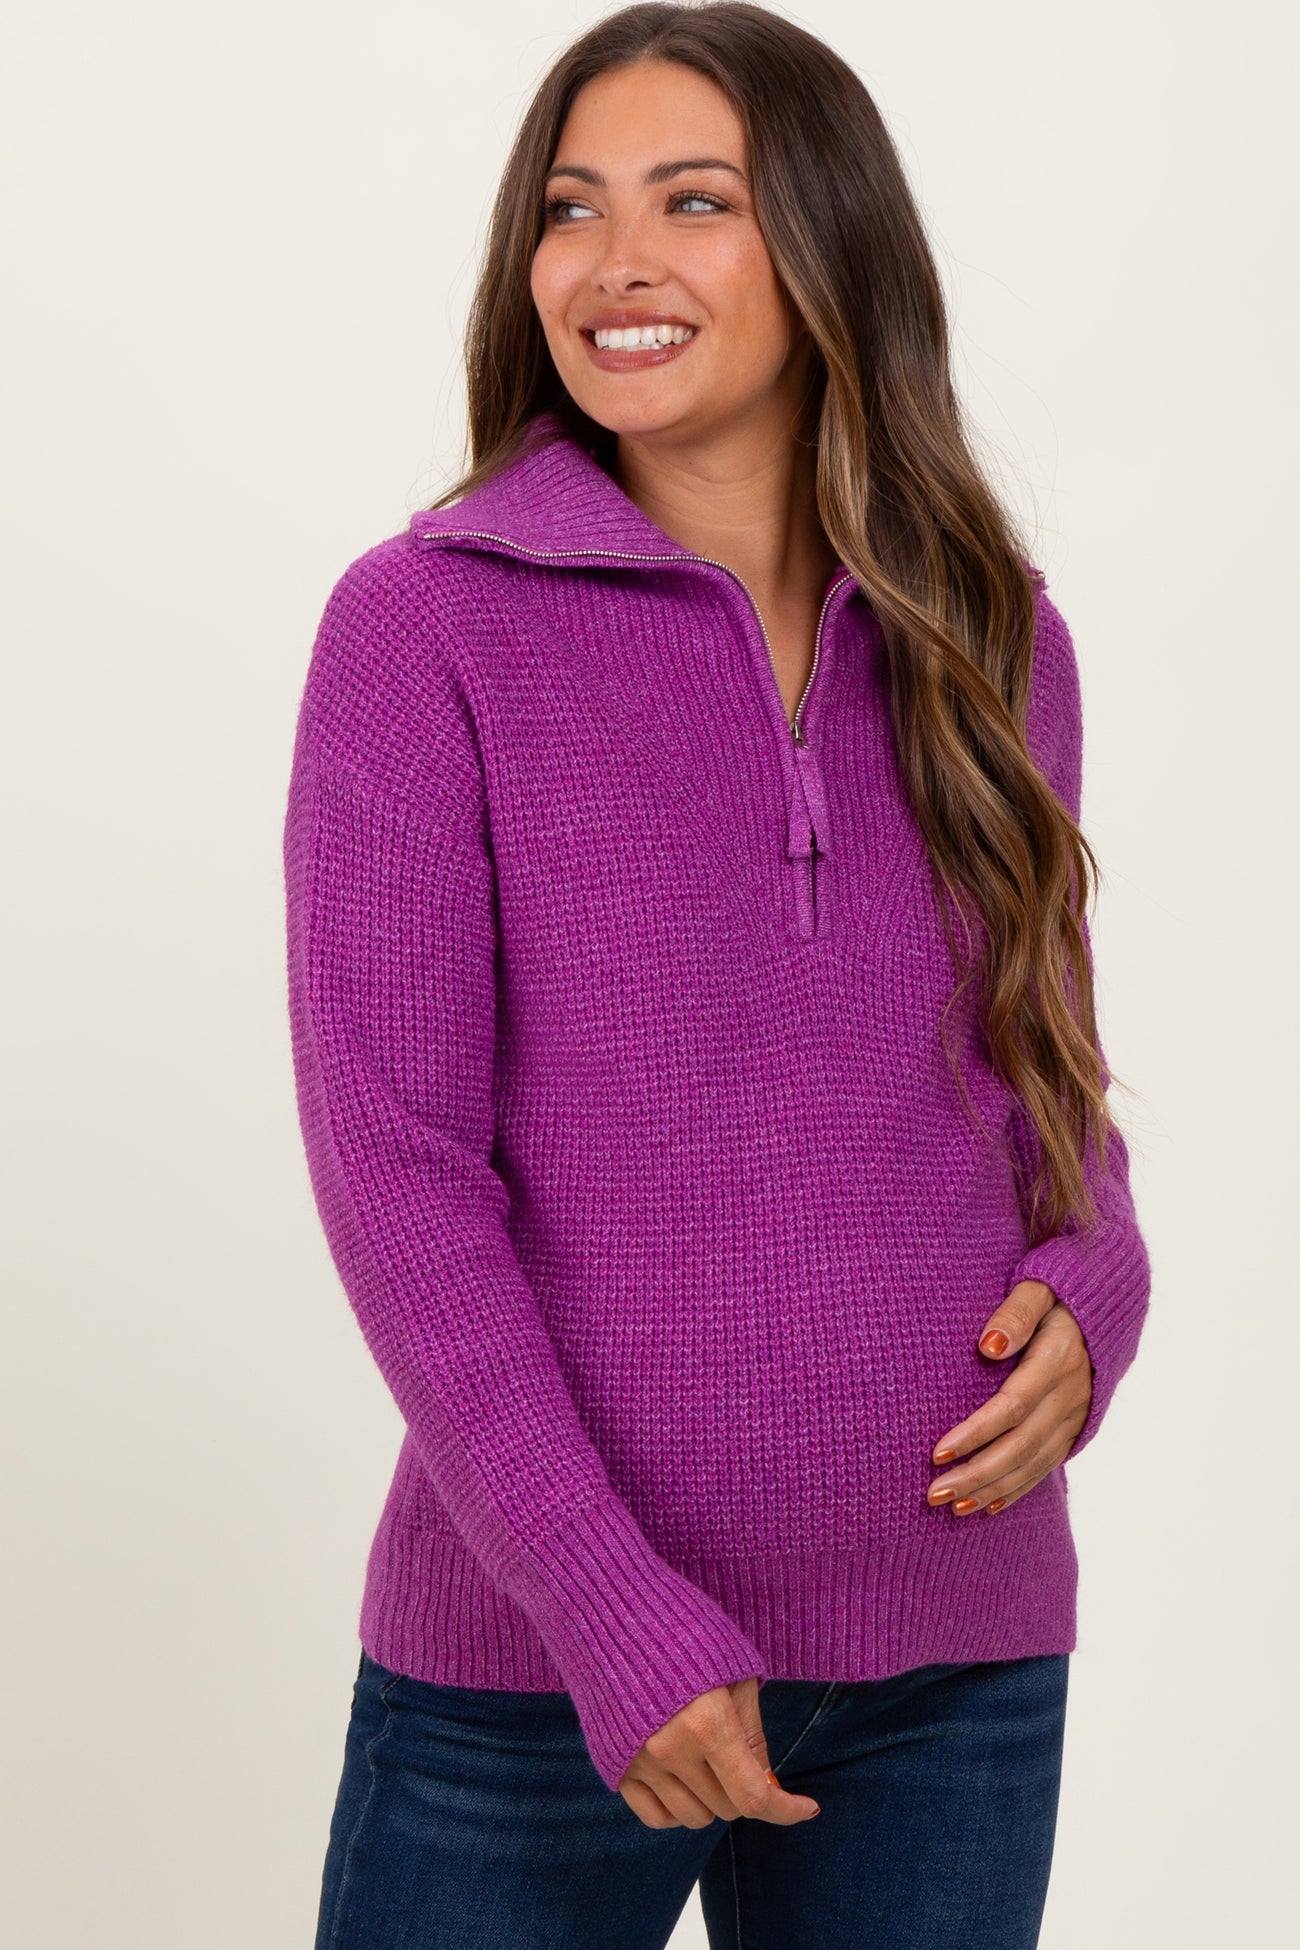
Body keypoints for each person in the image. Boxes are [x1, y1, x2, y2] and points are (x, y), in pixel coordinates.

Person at [283, 5, 1152, 1945]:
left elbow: (1045, 1069)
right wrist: (607, 1606)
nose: (614, 263)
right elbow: (399, 1179)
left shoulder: (991, 635)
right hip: (540, 1668)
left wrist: (1099, 1281)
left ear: (831, 244)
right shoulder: (423, 628)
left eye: (694, 202)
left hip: (954, 1650)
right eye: (570, 208)